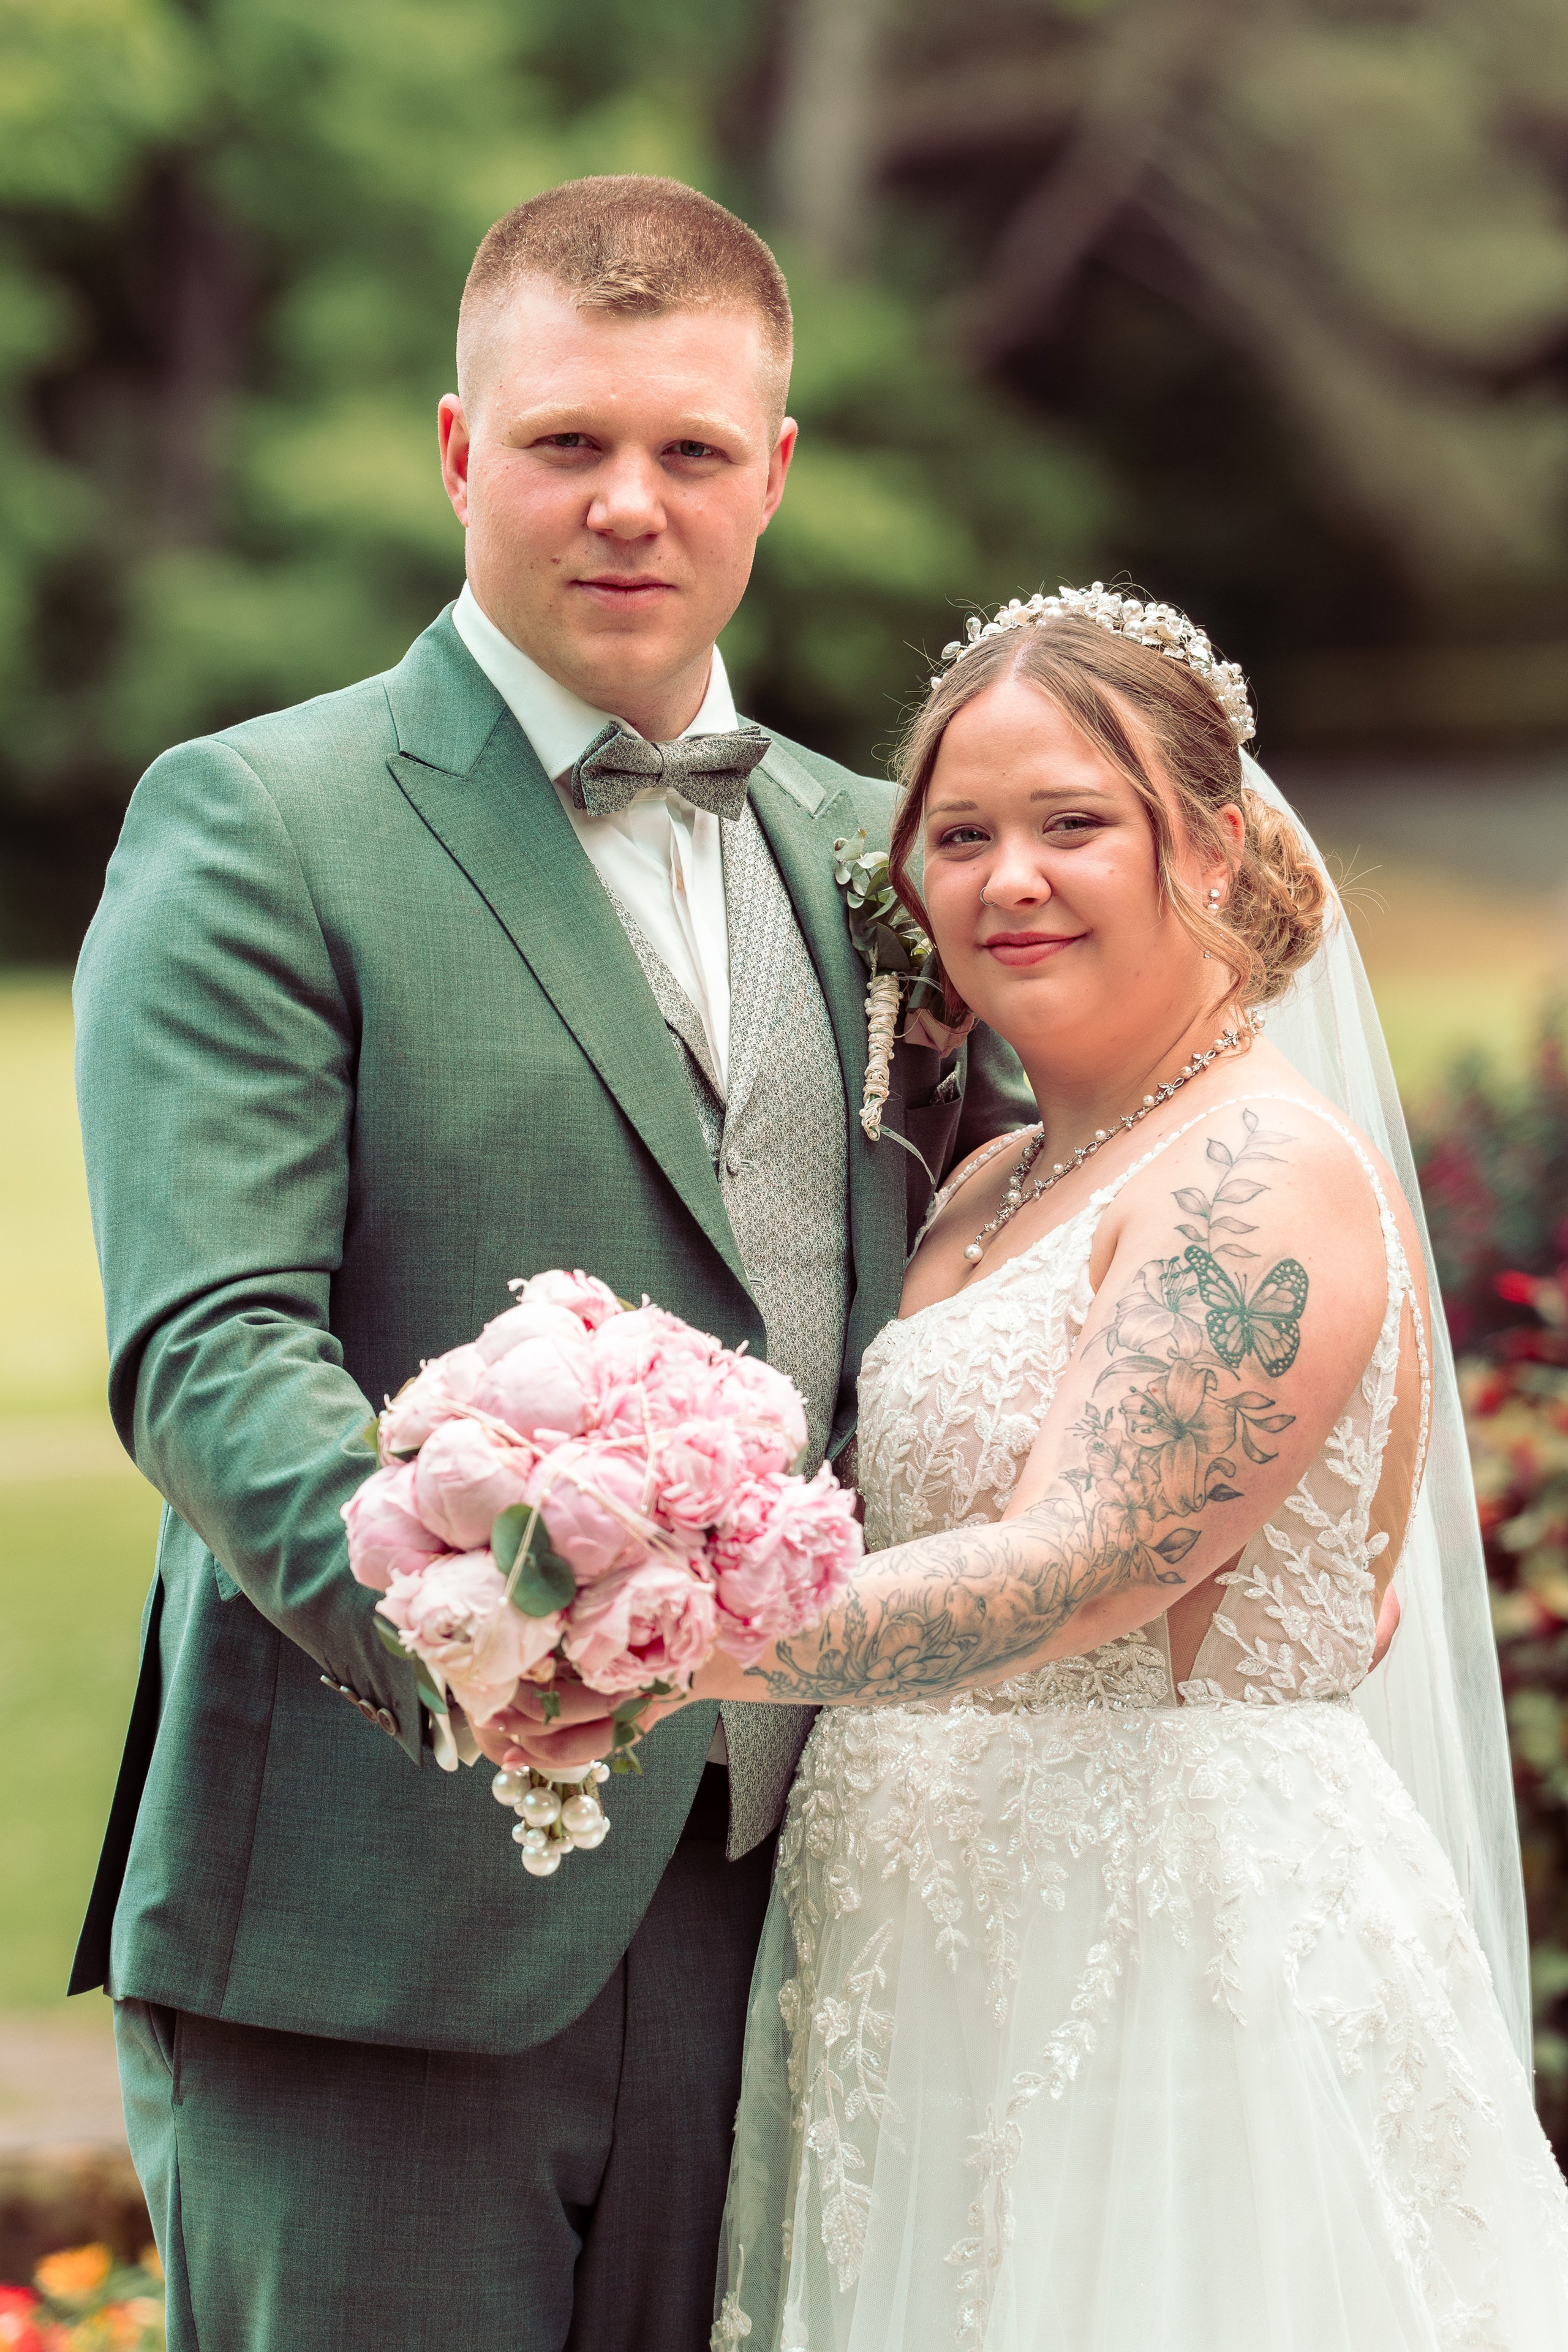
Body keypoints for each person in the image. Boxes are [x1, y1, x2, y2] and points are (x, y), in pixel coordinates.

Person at [68, 176, 1031, 2352]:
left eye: (691, 451)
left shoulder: (883, 851)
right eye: (566, 442)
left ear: (774, 475)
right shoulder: (255, 820)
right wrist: (498, 1647)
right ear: (455, 451)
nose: (628, 504)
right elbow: (211, 1343)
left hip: (792, 1921)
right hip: (373, 1938)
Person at [509, 587, 1568, 2348]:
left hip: (1162, 1958)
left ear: (1215, 845)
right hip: (907, 1963)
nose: (1011, 880)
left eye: (1077, 823)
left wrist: (654, 1649)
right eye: (962, 835)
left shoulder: (1260, 1178)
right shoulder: (990, 1190)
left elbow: (1080, 1566)